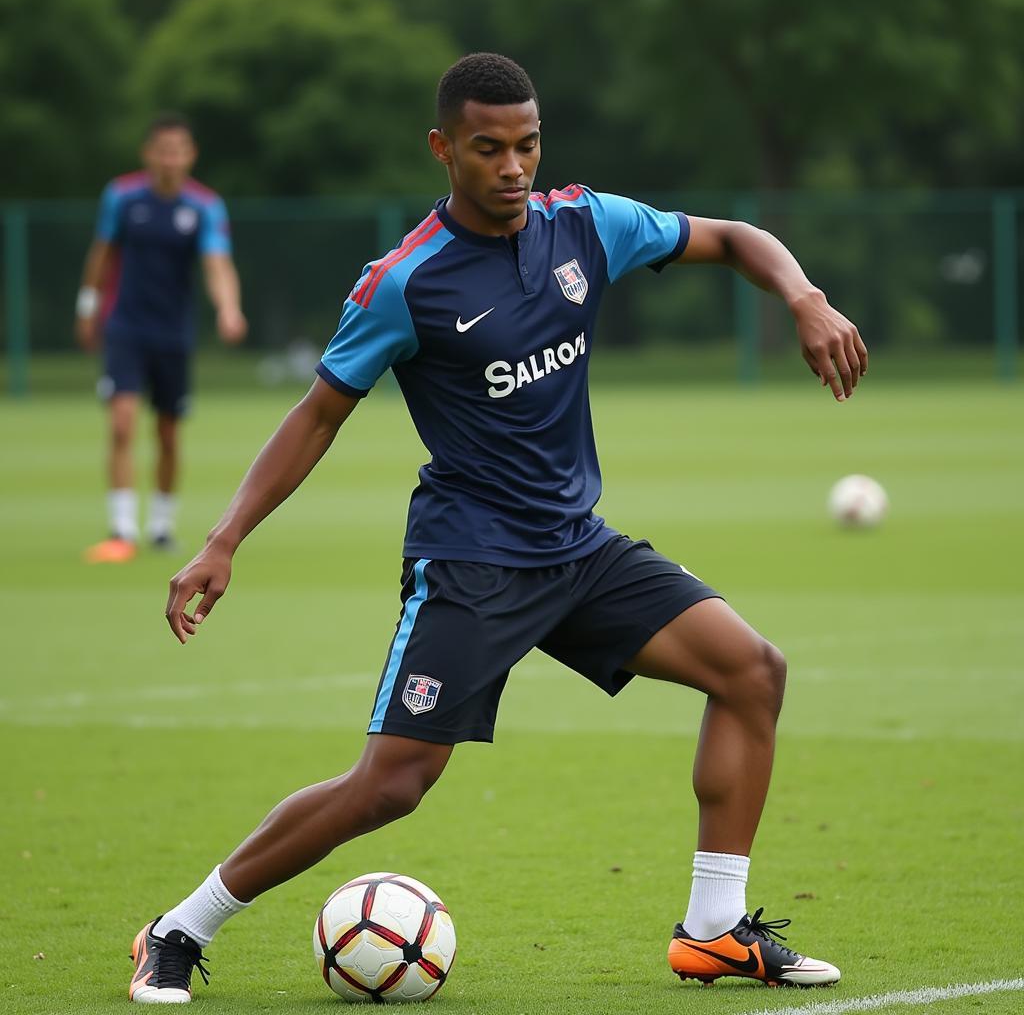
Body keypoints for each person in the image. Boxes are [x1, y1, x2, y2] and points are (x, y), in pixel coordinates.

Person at [130, 54, 868, 1003]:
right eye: (488, 149)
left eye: (526, 145)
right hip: (472, 563)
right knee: (391, 785)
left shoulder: (584, 225)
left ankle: (715, 932)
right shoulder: (405, 283)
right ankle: (178, 929)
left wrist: (804, 297)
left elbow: (731, 236)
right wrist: (223, 540)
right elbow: (317, 415)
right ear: (444, 149)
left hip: (579, 550)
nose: (512, 166)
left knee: (751, 671)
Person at [75, 113, 247, 564]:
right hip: (125, 328)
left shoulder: (204, 206)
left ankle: (162, 526)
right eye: (162, 150)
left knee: (168, 433)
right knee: (121, 423)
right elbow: (103, 252)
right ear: (148, 153)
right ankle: (122, 528)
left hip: (172, 334)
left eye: (179, 151)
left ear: (190, 155)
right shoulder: (122, 196)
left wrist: (228, 308)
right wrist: (87, 307)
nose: (170, 159)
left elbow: (217, 263)